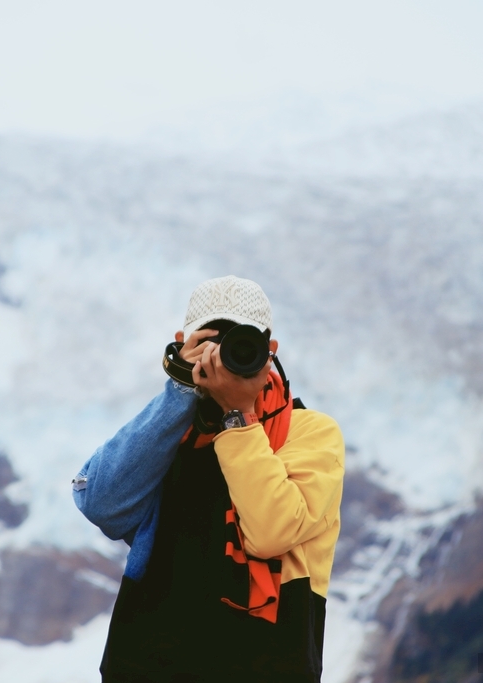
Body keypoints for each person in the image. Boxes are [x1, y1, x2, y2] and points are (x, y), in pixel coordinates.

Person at [72, 275, 345, 683]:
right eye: (208, 344)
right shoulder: (168, 432)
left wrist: (239, 416)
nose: (223, 358)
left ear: (269, 351)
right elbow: (101, 503)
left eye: (242, 343)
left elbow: (271, 532)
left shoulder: (311, 433)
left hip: (267, 668)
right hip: (146, 667)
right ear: (183, 343)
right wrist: (180, 390)